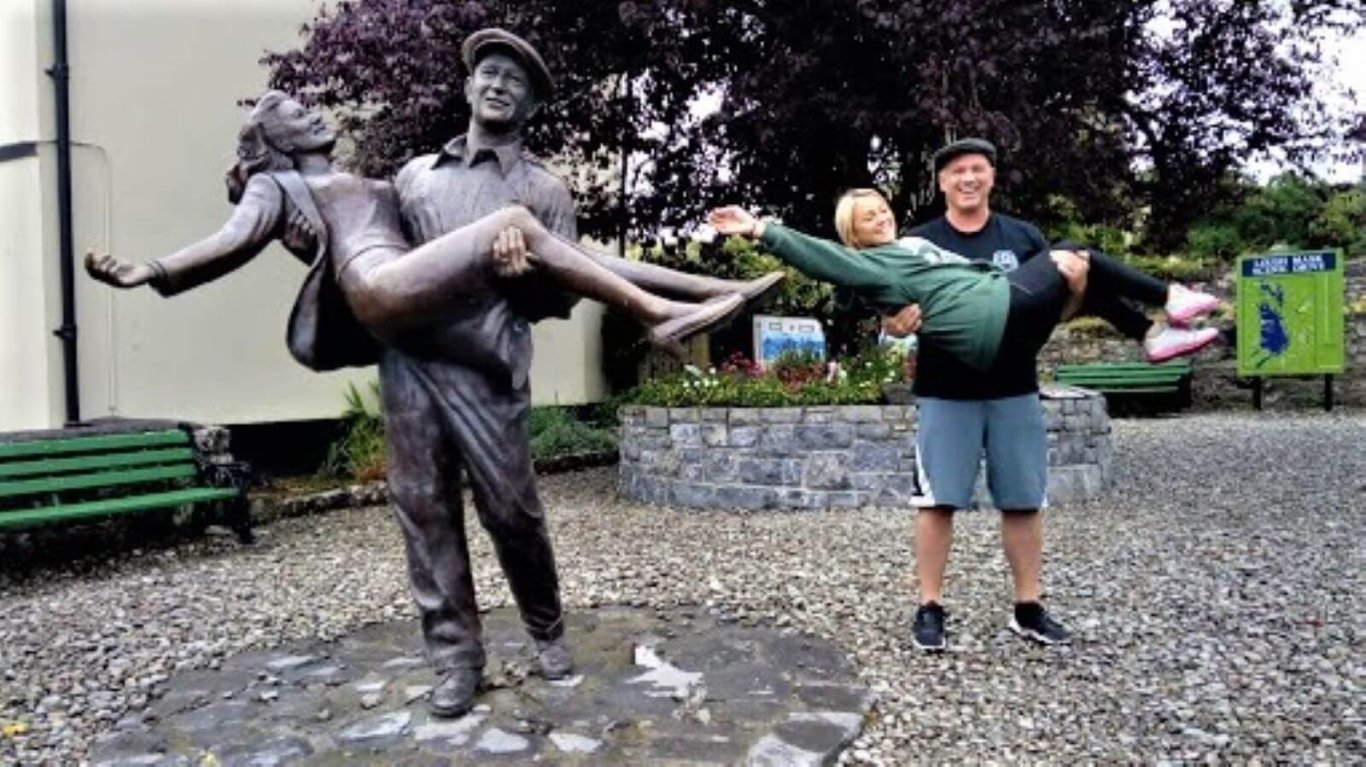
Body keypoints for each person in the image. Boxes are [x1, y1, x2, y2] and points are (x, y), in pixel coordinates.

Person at [87, 30, 781, 719]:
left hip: (486, 365)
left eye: (516, 78)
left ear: (533, 103)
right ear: (469, 86)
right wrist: (157, 271)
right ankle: (455, 659)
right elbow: (295, 238)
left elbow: (569, 283)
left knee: (513, 512)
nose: (499, 84)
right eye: (489, 72)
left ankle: (547, 628)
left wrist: (522, 276)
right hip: (410, 360)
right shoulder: (412, 177)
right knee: (423, 509)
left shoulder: (542, 187)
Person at [707, 177, 1219, 652]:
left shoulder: (1014, 236)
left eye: (883, 210)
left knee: (1024, 496)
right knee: (937, 499)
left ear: (991, 176)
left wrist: (1074, 288)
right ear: (944, 183)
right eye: (868, 218)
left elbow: (1069, 296)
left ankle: (1029, 607)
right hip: (955, 378)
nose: (882, 218)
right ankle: (929, 607)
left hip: (1012, 371)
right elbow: (834, 269)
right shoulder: (894, 253)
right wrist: (761, 229)